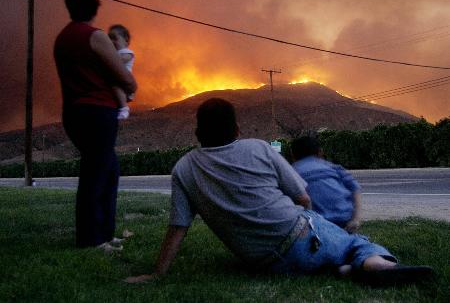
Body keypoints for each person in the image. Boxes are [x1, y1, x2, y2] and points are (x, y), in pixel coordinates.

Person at [126, 98, 433, 286]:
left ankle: (342, 268)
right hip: (299, 235)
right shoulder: (258, 148)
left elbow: (178, 227)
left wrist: (158, 273)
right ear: (236, 131)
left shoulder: (183, 169)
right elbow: (302, 198)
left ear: (197, 134)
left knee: (327, 252)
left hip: (264, 264)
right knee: (353, 241)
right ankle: (376, 265)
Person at [54, 0, 137, 252]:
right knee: (97, 174)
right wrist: (131, 86)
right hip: (97, 112)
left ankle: (104, 234)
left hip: (74, 112)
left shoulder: (63, 38)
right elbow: (122, 75)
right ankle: (92, 239)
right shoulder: (95, 36)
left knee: (107, 170)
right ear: (95, 6)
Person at [291, 136, 362, 233]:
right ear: (320, 152)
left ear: (293, 155)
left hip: (315, 224)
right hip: (344, 218)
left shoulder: (292, 171)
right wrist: (356, 219)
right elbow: (355, 189)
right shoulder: (333, 167)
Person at [108, 24, 135, 120]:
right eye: (109, 39)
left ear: (126, 39)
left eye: (114, 38)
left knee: (115, 87)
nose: (112, 41)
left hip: (122, 81)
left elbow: (119, 61)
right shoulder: (114, 53)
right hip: (118, 80)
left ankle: (124, 108)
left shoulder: (128, 53)